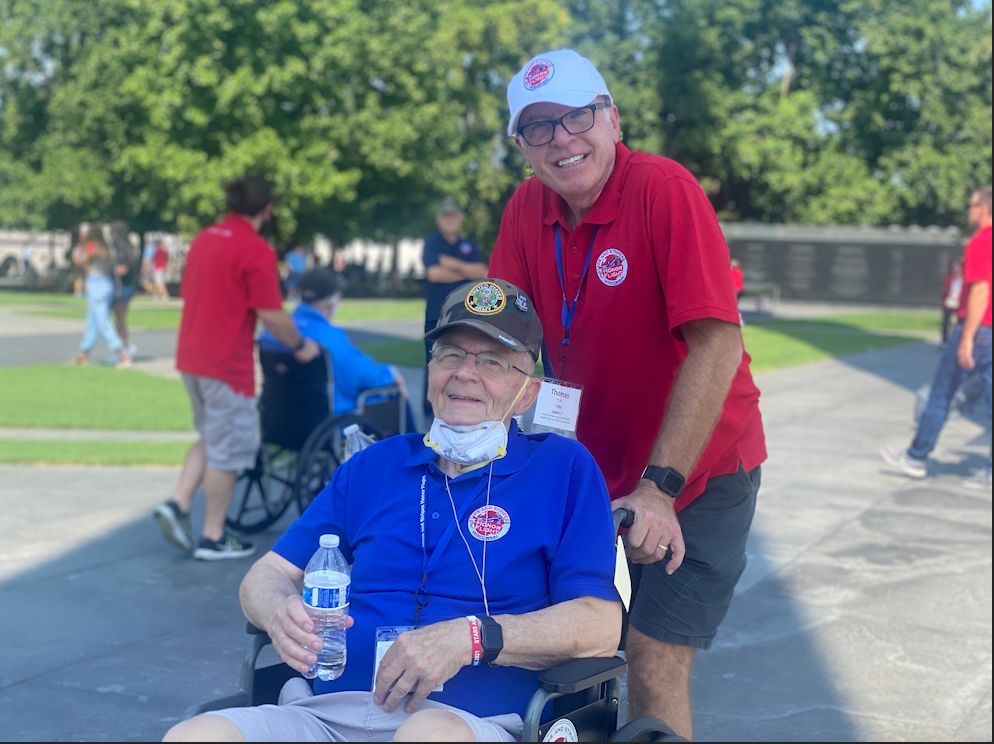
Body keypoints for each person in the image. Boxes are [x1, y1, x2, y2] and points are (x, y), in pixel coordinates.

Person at [163, 278, 622, 743]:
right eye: (450, 354)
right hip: (323, 714)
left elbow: (599, 624)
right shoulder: (374, 466)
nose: (465, 372)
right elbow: (265, 575)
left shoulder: (561, 470)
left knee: (424, 736)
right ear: (431, 374)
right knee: (196, 735)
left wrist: (471, 637)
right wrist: (278, 608)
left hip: (465, 722)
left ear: (527, 392)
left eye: (492, 361)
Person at [488, 48, 767, 740]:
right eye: (539, 128)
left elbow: (716, 343)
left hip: (697, 473)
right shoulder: (527, 208)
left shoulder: (663, 190)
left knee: (651, 660)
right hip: (596, 470)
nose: (562, 140)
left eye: (577, 116)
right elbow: (501, 339)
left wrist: (660, 487)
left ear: (612, 117)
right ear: (522, 148)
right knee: (562, 639)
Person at [154, 175, 320, 561]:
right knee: (228, 452)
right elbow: (272, 315)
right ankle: (213, 536)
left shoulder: (204, 239)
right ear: (267, 209)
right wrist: (300, 345)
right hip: (226, 364)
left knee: (211, 437)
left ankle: (178, 504)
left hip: (192, 356)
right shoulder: (254, 249)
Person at [881, 186, 992, 491]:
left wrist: (967, 337)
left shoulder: (982, 241)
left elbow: (980, 291)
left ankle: (916, 457)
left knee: (941, 395)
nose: (968, 211)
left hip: (979, 330)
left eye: (971, 205)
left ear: (982, 208)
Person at [258, 267, 414, 424]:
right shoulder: (330, 337)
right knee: (395, 394)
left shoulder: (274, 333)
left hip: (280, 419)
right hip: (329, 422)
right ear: (332, 301)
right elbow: (361, 376)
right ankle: (417, 448)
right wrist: (390, 373)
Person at [421, 197, 488, 425]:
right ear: (438, 219)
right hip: (437, 316)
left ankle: (456, 408)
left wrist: (451, 263)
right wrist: (466, 271)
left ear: (459, 219)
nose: (450, 220)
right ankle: (431, 411)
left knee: (462, 364)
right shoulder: (432, 242)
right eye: (445, 216)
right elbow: (434, 274)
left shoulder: (468, 244)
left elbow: (482, 271)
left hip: (465, 317)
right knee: (435, 362)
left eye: (453, 216)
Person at [71, 222, 133, 368]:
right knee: (92, 321)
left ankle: (122, 354)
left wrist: (81, 251)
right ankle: (84, 353)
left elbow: (81, 261)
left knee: (103, 322)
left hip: (96, 283)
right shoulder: (107, 247)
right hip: (105, 283)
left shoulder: (93, 246)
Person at [108, 220, 141, 357]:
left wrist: (108, 270)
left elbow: (123, 269)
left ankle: (124, 346)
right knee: (119, 319)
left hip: (124, 286)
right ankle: (123, 345)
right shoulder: (121, 248)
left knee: (120, 318)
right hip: (123, 286)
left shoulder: (124, 249)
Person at [940, 258, 963, 345]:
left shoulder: (962, 279)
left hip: (958, 304)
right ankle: (944, 340)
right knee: (945, 322)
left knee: (958, 323)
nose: (956, 269)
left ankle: (956, 341)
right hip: (949, 303)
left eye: (958, 267)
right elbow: (945, 290)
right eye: (954, 267)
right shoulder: (949, 278)